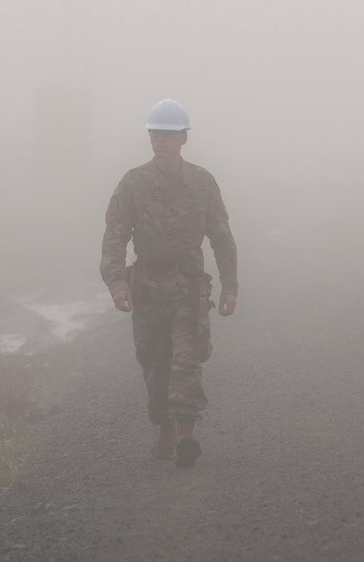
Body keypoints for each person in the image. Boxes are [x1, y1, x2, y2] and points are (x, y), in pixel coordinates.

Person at [100, 99, 238, 468]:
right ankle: (164, 429)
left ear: (184, 138)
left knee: (187, 360)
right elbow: (114, 238)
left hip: (190, 289)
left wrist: (230, 286)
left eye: (169, 134)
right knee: (154, 363)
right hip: (147, 288)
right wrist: (117, 284)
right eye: (155, 134)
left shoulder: (204, 183)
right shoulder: (133, 183)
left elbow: (222, 237)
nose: (161, 141)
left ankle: (184, 435)